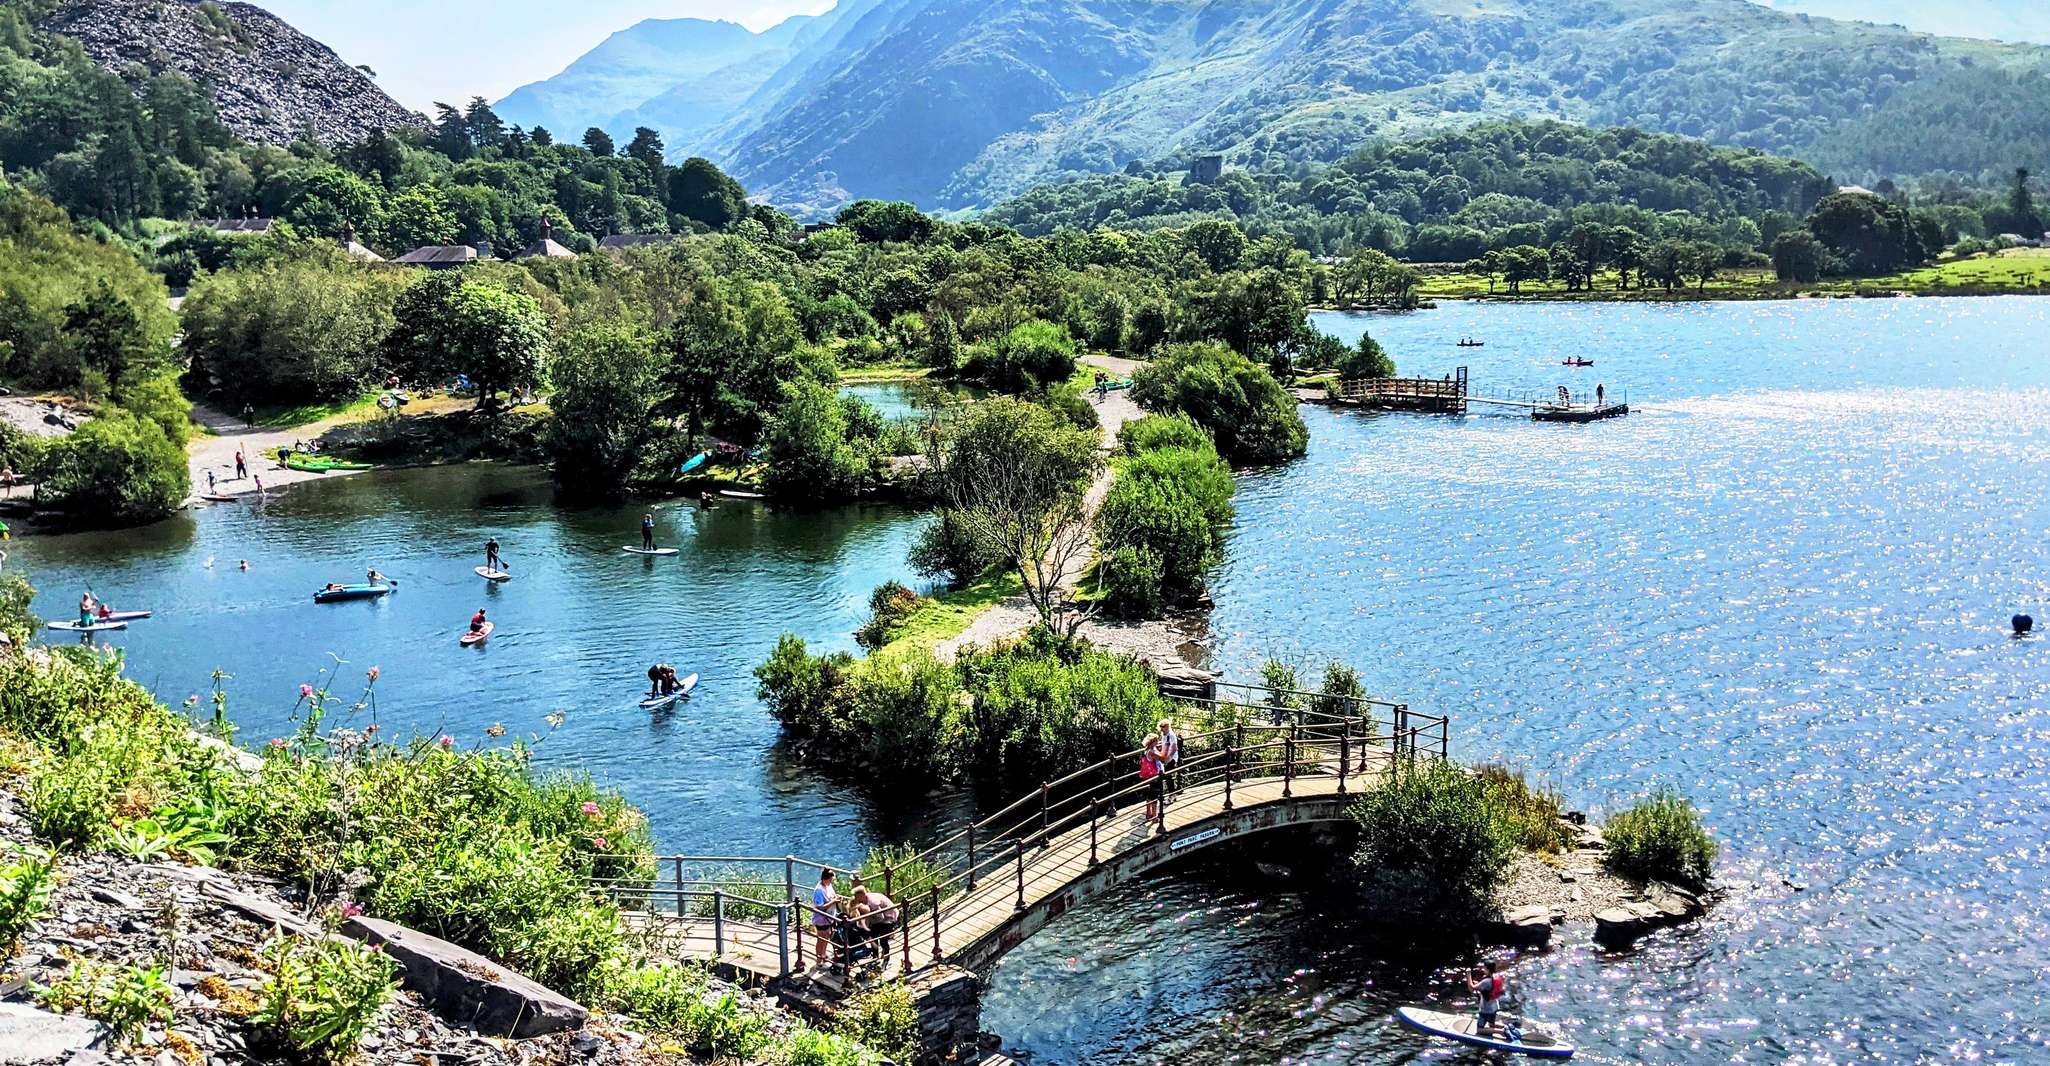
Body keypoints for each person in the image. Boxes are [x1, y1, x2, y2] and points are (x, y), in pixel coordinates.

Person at [848, 881, 900, 961]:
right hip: (880, 919)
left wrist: (870, 922)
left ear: (861, 895)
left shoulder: (873, 903)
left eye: (856, 896)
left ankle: (886, 957)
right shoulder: (865, 901)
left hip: (889, 918)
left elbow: (881, 917)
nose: (855, 898)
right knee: (873, 935)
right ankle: (875, 957)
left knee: (883, 939)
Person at [1467, 960, 1507, 1035]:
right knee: (1491, 1024)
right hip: (1494, 1006)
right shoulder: (1497, 977)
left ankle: (1501, 1031)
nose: (1483, 969)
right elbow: (1488, 988)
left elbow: (1471, 988)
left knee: (1479, 1030)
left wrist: (1468, 974)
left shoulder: (1486, 982)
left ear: (1488, 969)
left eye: (1484, 968)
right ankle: (1506, 1027)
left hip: (1486, 1009)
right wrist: (1478, 984)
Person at [811, 869, 840, 968]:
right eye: (830, 879)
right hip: (821, 919)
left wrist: (836, 898)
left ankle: (823, 954)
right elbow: (820, 907)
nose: (831, 882)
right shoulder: (819, 890)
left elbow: (832, 896)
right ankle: (819, 959)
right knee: (821, 938)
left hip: (830, 917)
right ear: (825, 879)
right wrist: (833, 901)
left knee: (827, 936)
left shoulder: (828, 885)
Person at [1141, 734, 1164, 825]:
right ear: (1153, 742)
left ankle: (1148, 813)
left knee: (1150, 794)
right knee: (1155, 795)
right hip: (1154, 775)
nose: (1158, 742)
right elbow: (1162, 758)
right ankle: (1154, 816)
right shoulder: (1151, 752)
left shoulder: (1147, 750)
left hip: (1149, 775)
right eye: (1156, 741)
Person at [1156, 718, 1181, 791]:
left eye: (1164, 726)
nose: (1162, 728)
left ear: (1167, 726)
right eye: (1161, 726)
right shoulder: (1164, 734)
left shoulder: (1171, 735)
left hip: (1172, 758)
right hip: (1166, 757)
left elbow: (1174, 748)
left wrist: (1168, 759)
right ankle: (1171, 793)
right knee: (1166, 776)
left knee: (1168, 776)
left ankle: (1172, 794)